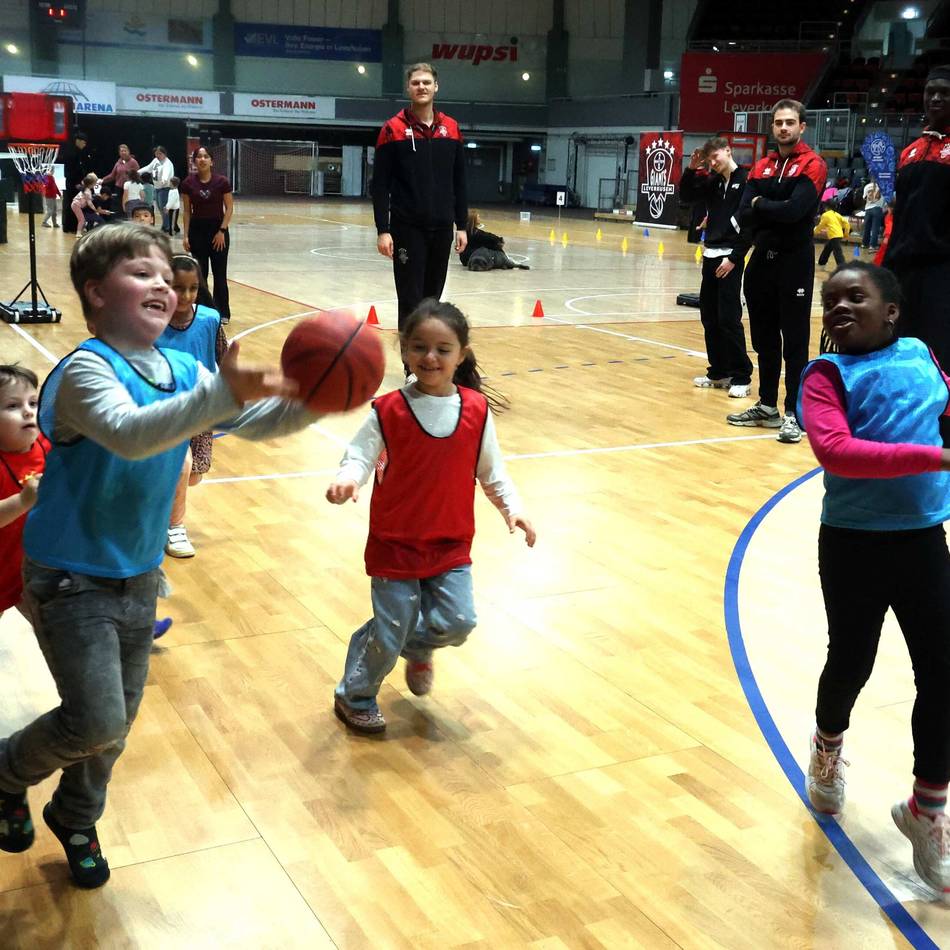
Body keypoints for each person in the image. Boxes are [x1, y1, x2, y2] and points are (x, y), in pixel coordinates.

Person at [0, 223, 317, 888]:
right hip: (69, 579)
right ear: (95, 292)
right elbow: (132, 434)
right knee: (95, 718)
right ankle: (5, 772)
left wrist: (316, 399)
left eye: (164, 274)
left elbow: (253, 423)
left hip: (139, 575)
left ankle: (76, 814)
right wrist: (218, 395)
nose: (163, 283)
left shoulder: (182, 367)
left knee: (113, 726)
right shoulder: (85, 371)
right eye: (139, 272)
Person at [797, 261, 950, 894]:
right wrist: (938, 457)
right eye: (829, 300)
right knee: (851, 659)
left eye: (852, 297)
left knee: (942, 671)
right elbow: (837, 453)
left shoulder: (920, 352)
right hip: (854, 546)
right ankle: (828, 744)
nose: (836, 308)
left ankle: (927, 809)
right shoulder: (824, 376)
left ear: (891, 310)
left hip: (923, 542)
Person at [327, 299, 535, 734]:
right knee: (389, 634)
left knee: (460, 621)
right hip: (395, 543)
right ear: (404, 349)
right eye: (419, 346)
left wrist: (514, 510)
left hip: (450, 543)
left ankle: (415, 646)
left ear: (462, 354)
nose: (430, 357)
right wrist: (349, 479)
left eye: (443, 348)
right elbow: (360, 455)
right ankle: (355, 695)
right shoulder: (388, 410)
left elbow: (492, 472)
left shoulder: (476, 412)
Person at [727, 99, 827, 444]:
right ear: (772, 127)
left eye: (790, 122)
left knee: (795, 342)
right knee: (764, 339)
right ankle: (767, 405)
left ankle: (794, 414)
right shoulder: (761, 166)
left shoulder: (812, 164)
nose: (783, 128)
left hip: (794, 262)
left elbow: (795, 211)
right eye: (778, 123)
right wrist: (767, 207)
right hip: (761, 264)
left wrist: (761, 205)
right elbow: (744, 210)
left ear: (802, 127)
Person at [372, 63, 468, 332]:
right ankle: (410, 368)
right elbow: (379, 185)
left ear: (436, 87)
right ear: (408, 88)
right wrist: (383, 230)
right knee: (411, 300)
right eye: (416, 83)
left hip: (442, 229)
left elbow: (459, 181)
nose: (421, 87)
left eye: (427, 82)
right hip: (407, 229)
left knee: (432, 301)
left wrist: (461, 225)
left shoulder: (451, 128)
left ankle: (428, 363)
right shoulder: (392, 129)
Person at [883, 65, 950, 396]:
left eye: (944, 92)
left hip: (942, 272)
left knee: (939, 356)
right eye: (930, 92)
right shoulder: (910, 152)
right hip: (903, 271)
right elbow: (899, 216)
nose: (936, 98)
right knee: (901, 348)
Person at [157, 255, 227, 558]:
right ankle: (174, 527)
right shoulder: (149, 320)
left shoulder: (209, 320)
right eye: (177, 288)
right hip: (160, 411)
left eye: (192, 288)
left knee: (194, 473)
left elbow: (223, 358)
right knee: (181, 465)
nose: (185, 296)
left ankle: (160, 514)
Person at [680, 137, 754, 399]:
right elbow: (686, 196)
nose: (712, 162)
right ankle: (719, 371)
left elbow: (749, 224)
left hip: (730, 258)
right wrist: (690, 170)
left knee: (728, 318)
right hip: (710, 255)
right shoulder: (712, 183)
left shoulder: (745, 181)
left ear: (728, 151)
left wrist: (734, 257)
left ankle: (742, 375)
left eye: (716, 157)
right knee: (709, 317)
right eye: (708, 159)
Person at [0, 366, 47, 619]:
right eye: (12, 406)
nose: (28, 411)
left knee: (51, 624)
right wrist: (22, 501)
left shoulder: (47, 445)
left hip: (33, 567)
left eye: (33, 402)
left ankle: (129, 627)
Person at [180, 146, 233, 324]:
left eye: (206, 156)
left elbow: (229, 208)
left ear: (212, 161)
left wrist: (222, 231)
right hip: (197, 231)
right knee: (200, 274)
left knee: (219, 274)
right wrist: (186, 235)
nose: (202, 159)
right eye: (199, 157)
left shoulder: (222, 182)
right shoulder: (188, 183)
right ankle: (203, 310)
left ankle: (223, 312)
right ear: (194, 161)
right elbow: (187, 211)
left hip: (218, 231)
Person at [459, 210, 530, 271]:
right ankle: (507, 261)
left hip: (464, 259)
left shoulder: (463, 233)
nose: (479, 218)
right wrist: (499, 243)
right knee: (491, 247)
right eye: (478, 217)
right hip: (474, 258)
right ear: (475, 220)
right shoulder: (479, 234)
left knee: (486, 245)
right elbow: (495, 239)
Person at [62, 131, 94, 235]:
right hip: (73, 183)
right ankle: (69, 226)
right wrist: (76, 182)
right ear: (78, 141)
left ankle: (74, 226)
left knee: (77, 204)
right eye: (83, 143)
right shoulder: (71, 153)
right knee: (72, 204)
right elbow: (70, 171)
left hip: (78, 183)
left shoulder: (79, 153)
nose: (84, 145)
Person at [138, 146, 175, 234]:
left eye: (160, 154)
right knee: (160, 208)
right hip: (157, 188)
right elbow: (148, 168)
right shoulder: (155, 161)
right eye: (156, 153)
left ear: (164, 154)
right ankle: (165, 225)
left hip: (165, 188)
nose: (157, 155)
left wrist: (164, 179)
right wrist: (137, 172)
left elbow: (166, 172)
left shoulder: (167, 163)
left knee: (164, 208)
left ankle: (167, 227)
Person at [100, 144, 139, 215]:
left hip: (129, 189)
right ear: (119, 153)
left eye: (125, 151)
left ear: (128, 151)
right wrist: (102, 180)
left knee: (128, 207)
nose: (123, 152)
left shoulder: (133, 162)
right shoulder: (118, 163)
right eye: (121, 151)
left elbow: (138, 174)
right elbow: (112, 175)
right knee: (119, 208)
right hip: (119, 188)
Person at [814, 201, 851, 268]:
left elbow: (821, 225)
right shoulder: (837, 214)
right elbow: (847, 224)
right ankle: (821, 262)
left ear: (826, 207)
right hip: (839, 235)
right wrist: (846, 234)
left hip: (834, 235)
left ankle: (843, 267)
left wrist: (814, 232)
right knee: (827, 248)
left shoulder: (825, 215)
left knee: (837, 252)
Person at [862, 179, 885, 250]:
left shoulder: (867, 186)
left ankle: (864, 244)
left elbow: (864, 197)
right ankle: (872, 245)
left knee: (866, 228)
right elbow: (885, 198)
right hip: (878, 209)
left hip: (868, 209)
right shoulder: (882, 186)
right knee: (875, 228)